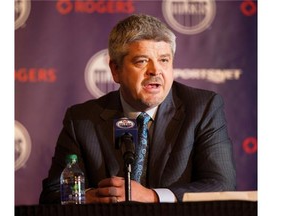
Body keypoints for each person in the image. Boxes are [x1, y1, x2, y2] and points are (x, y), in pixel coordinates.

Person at [39, 14, 236, 204]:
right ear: (116, 70)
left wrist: (153, 197)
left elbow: (221, 185)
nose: (155, 70)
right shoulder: (81, 120)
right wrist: (89, 198)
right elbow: (52, 195)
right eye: (142, 61)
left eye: (164, 60)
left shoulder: (202, 108)